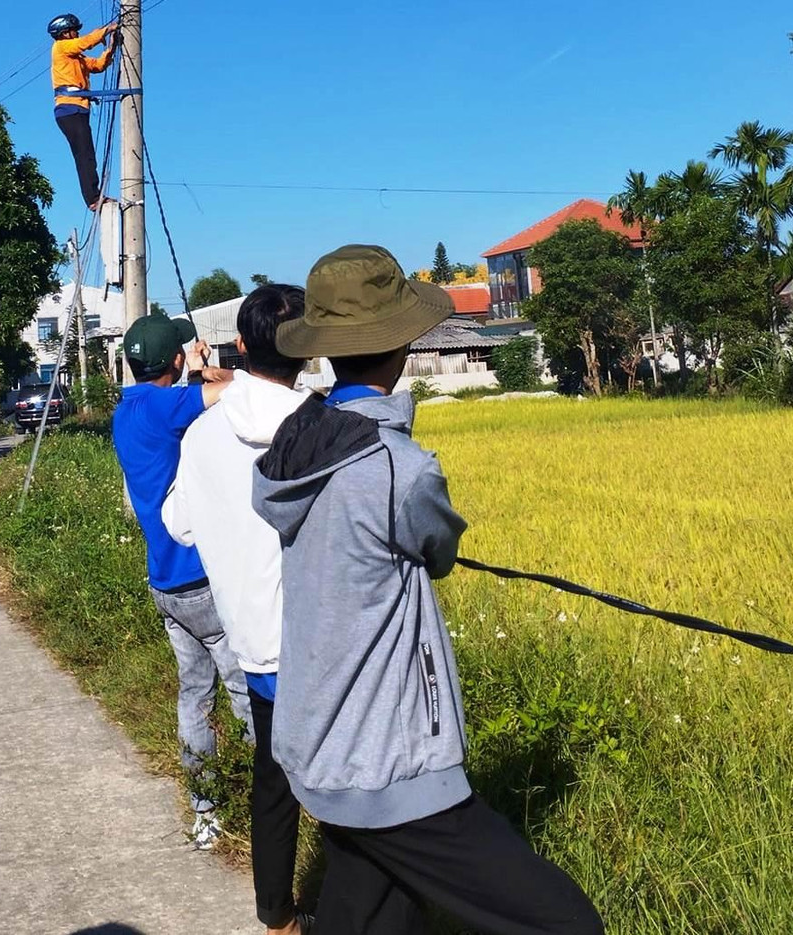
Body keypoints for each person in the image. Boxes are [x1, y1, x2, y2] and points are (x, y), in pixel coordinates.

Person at [253, 245, 605, 935]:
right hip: (390, 762)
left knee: (374, 917)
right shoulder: (398, 467)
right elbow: (437, 546)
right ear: (403, 343)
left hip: (317, 746)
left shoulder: (295, 443)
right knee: (566, 923)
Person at [162, 285, 313, 935]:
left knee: (275, 779)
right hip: (321, 639)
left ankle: (275, 914)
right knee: (353, 786)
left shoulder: (200, 434)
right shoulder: (322, 420)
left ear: (241, 346)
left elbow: (177, 522)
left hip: (254, 641)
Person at [111, 312, 252, 851]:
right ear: (174, 358)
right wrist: (212, 370)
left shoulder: (128, 412)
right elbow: (247, 389)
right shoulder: (169, 406)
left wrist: (192, 373)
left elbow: (180, 406)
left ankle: (206, 810)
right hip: (201, 578)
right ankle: (268, 795)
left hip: (163, 582)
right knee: (242, 689)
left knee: (194, 696)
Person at [48, 13, 119, 209]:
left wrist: (111, 47)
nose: (77, 34)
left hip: (78, 108)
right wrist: (106, 30)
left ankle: (94, 195)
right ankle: (93, 198)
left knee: (87, 153)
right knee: (84, 154)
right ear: (65, 33)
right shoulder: (61, 47)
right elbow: (85, 42)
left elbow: (97, 65)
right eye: (74, 31)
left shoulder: (76, 58)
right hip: (69, 108)